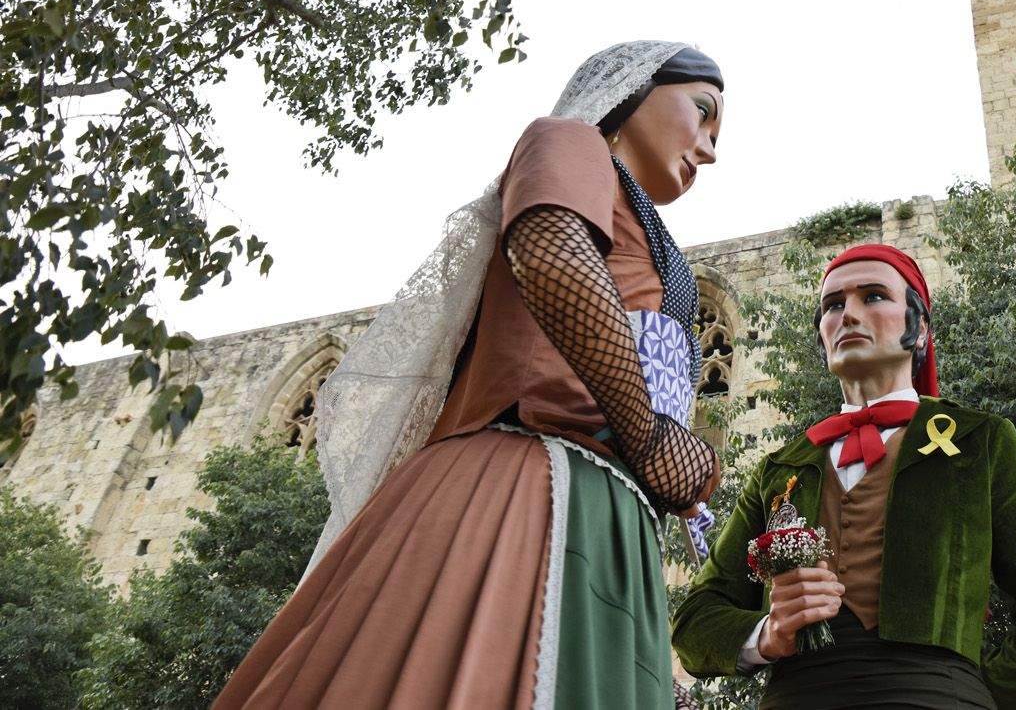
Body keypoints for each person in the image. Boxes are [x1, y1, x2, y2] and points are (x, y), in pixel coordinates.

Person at [215, 41, 725, 709]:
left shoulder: (659, 248)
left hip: (609, 521)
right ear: (630, 92)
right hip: (524, 480)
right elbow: (553, 256)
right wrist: (653, 437)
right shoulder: (570, 141)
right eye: (703, 111)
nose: (711, 148)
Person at [672, 244, 1016, 709]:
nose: (849, 314)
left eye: (874, 296)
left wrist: (966, 694)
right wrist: (768, 633)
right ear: (821, 336)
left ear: (919, 331)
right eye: (833, 305)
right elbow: (695, 623)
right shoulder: (781, 469)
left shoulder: (981, 442)